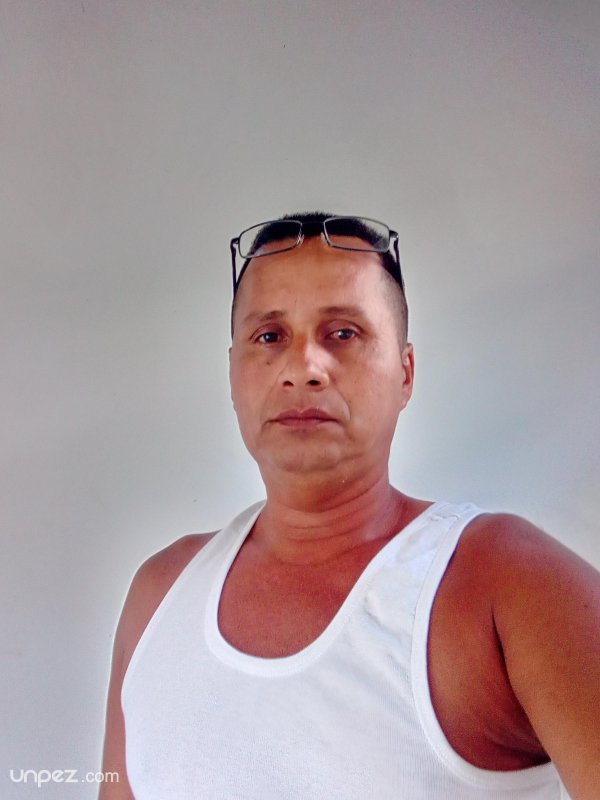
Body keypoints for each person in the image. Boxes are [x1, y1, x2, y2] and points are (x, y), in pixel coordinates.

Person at [99, 212, 600, 800]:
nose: (303, 369)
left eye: (343, 333)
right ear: (233, 373)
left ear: (406, 373)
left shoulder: (503, 582)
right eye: (270, 337)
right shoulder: (160, 595)